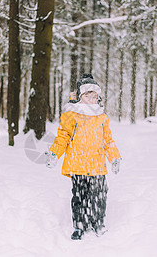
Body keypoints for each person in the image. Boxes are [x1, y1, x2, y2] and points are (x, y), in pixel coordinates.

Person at [45, 73, 121, 240]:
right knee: (80, 197)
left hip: (97, 166)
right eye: (88, 95)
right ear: (80, 96)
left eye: (94, 96)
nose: (92, 99)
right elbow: (63, 137)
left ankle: (98, 223)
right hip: (78, 165)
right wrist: (54, 153)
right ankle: (80, 226)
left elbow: (108, 140)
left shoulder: (102, 117)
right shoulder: (71, 115)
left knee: (99, 196)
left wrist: (114, 157)